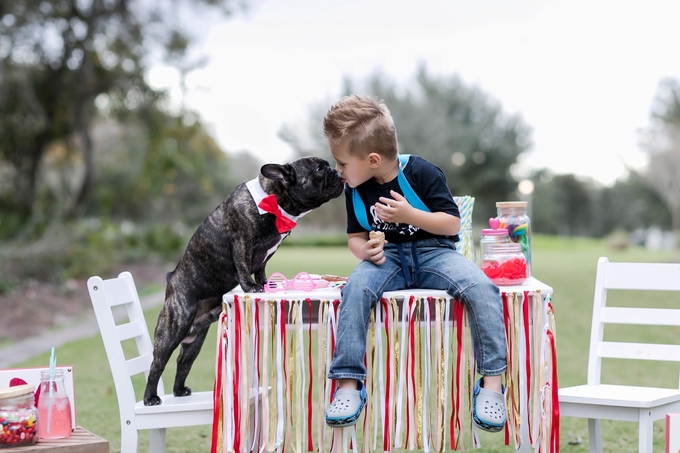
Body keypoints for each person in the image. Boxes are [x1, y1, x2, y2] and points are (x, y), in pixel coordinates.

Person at [322, 94, 507, 432]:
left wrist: (410, 214)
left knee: (482, 287)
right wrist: (365, 253)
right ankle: (348, 383)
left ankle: (492, 384)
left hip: (435, 253)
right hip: (388, 259)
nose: (338, 171)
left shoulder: (420, 172)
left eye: (342, 163)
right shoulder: (355, 189)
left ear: (373, 159)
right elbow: (355, 237)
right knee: (356, 288)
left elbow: (451, 224)